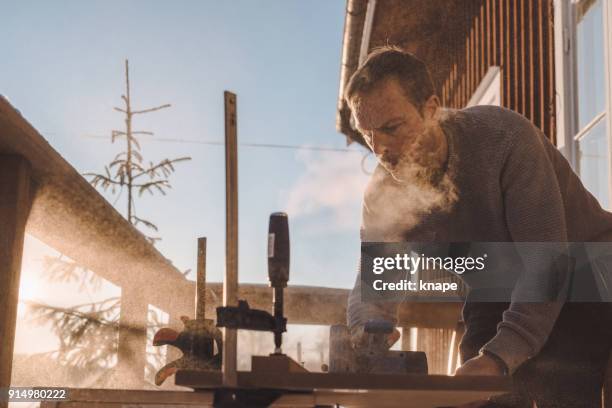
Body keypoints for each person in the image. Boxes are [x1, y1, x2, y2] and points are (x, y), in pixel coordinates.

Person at [345, 46, 612, 407]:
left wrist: (500, 358)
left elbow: (548, 267)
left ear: (430, 108)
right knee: (473, 396)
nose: (381, 148)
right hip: (494, 286)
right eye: (368, 134)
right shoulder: (384, 193)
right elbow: (376, 278)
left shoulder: (504, 139)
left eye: (392, 128)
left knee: (557, 386)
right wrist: (368, 326)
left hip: (586, 271)